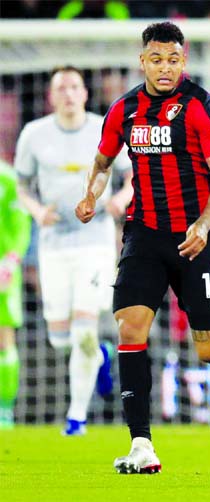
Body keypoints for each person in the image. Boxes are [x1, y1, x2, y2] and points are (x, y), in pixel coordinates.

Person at [75, 21, 210, 474]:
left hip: (194, 237)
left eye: (172, 59)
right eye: (155, 59)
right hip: (144, 234)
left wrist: (205, 224)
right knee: (130, 328)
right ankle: (141, 445)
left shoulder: (204, 107)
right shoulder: (124, 109)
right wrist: (91, 192)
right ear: (142, 60)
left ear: (183, 61)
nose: (164, 68)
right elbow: (103, 160)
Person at [14, 66, 132, 436]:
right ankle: (100, 358)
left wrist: (120, 201)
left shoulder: (105, 128)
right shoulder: (34, 135)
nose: (68, 93)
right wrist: (37, 212)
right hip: (53, 246)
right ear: (51, 96)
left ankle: (76, 418)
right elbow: (21, 186)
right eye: (60, 88)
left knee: (84, 329)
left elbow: (134, 175)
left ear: (84, 93)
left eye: (74, 86)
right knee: (61, 338)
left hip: (94, 242)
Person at [0, 160, 31, 429]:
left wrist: (11, 261)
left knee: (4, 339)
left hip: (3, 271)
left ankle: (4, 409)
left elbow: (22, 225)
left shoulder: (8, 178)